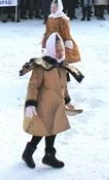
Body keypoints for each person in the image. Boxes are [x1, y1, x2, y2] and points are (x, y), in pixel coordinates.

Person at [20, 33, 84, 169]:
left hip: (57, 104)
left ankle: (49, 156)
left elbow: (63, 85)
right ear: (50, 50)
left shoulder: (61, 65)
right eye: (57, 51)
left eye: (62, 50)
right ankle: (28, 152)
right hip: (43, 105)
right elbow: (33, 86)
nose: (61, 53)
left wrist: (67, 100)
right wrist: (31, 104)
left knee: (53, 129)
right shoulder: (41, 67)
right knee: (41, 131)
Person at [42, 0, 81, 65]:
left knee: (60, 54)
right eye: (52, 8)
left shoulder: (62, 18)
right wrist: (45, 39)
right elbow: (47, 29)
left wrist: (67, 40)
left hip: (59, 39)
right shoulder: (50, 17)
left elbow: (65, 30)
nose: (52, 10)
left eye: (54, 8)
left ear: (59, 8)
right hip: (50, 38)